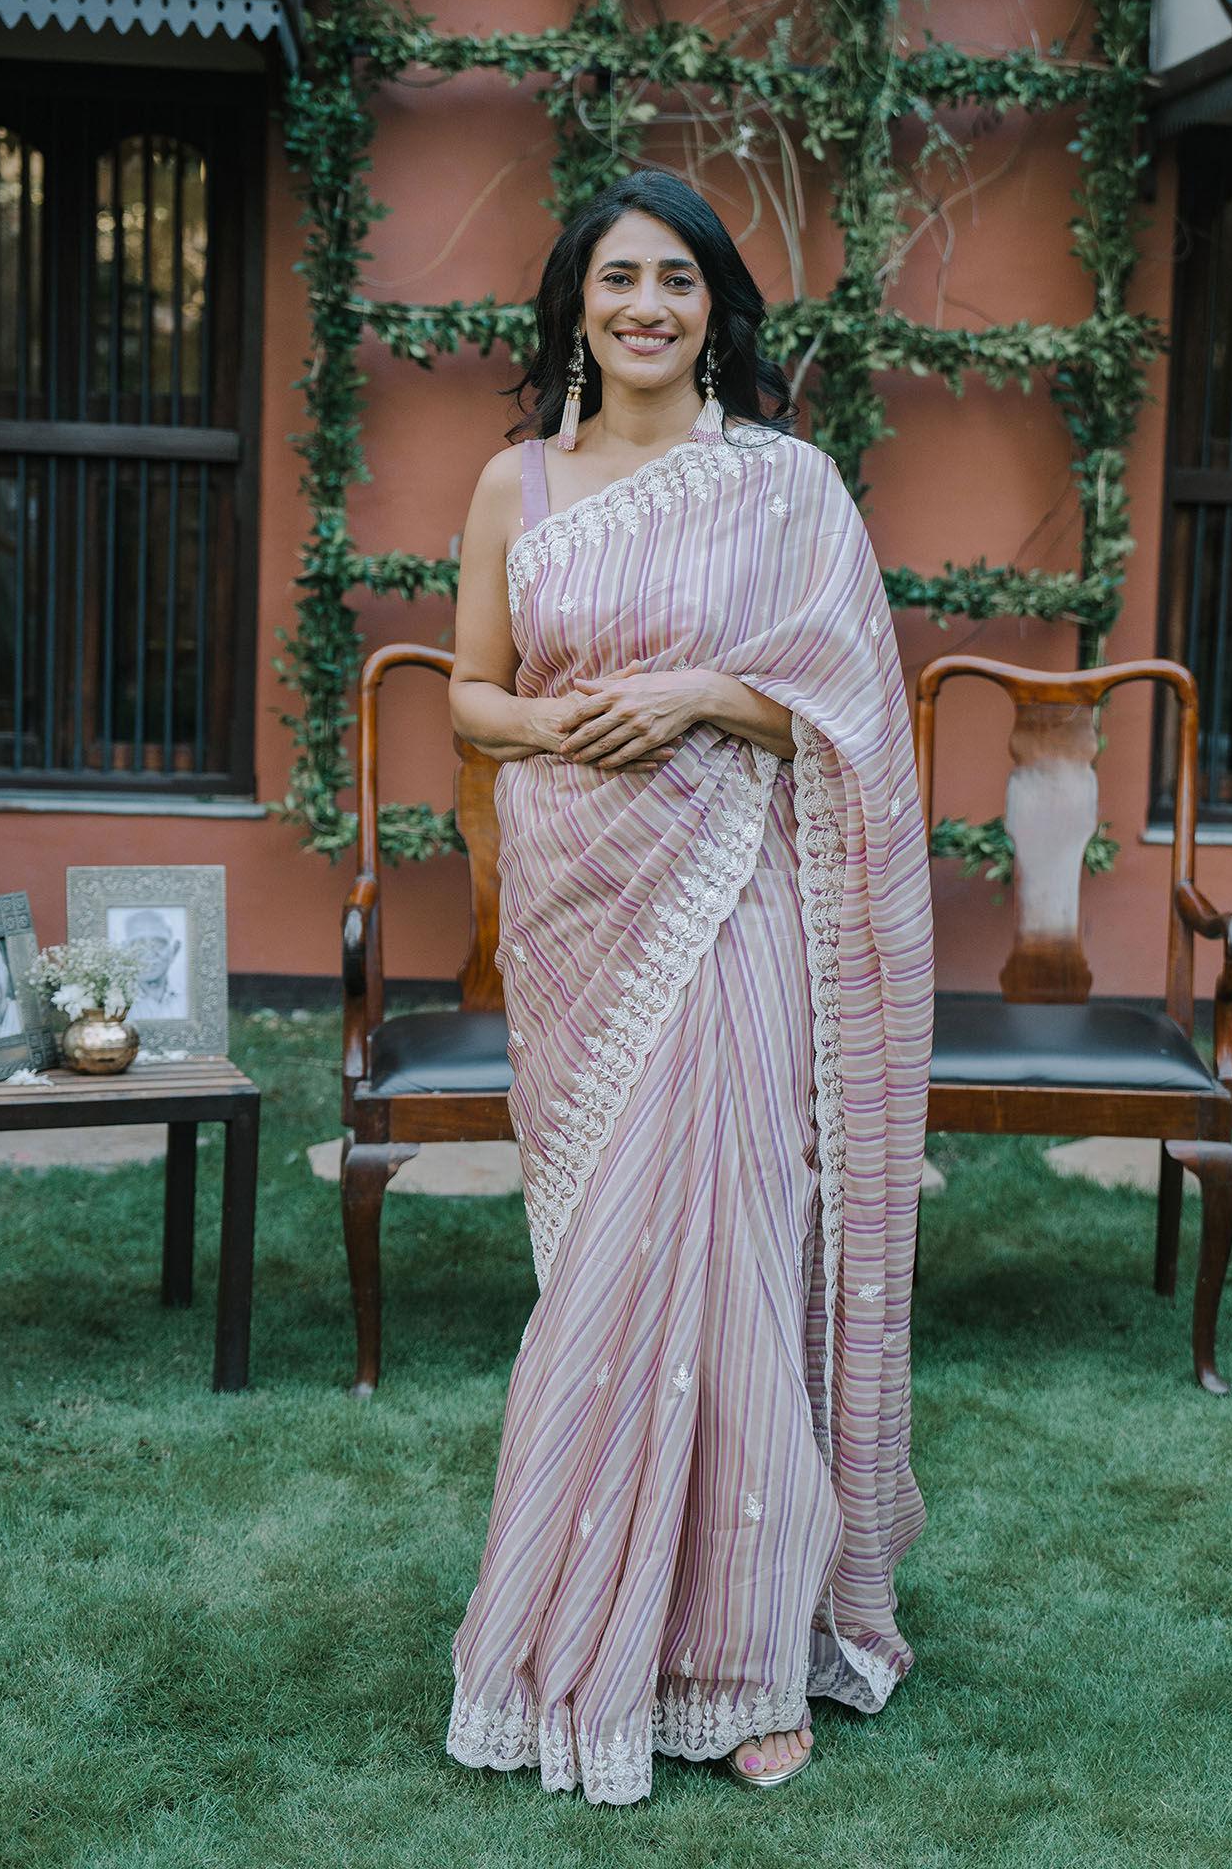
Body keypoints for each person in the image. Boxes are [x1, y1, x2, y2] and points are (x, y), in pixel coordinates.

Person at [445, 170, 934, 1805]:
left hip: (732, 906)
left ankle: (742, 1650)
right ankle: (591, 1630)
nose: (645, 305)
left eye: (676, 279)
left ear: (717, 305)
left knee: (735, 1246)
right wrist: (578, 725)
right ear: (575, 307)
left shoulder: (784, 488)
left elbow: (850, 711)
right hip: (584, 917)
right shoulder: (516, 482)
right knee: (602, 1262)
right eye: (615, 280)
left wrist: (704, 695)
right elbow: (470, 697)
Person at [118, 909, 187, 1020]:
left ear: (174, 950)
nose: (149, 953)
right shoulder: (112, 1001)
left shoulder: (193, 998)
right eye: (138, 945)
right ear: (124, 951)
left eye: (158, 944)